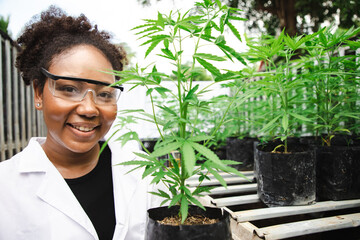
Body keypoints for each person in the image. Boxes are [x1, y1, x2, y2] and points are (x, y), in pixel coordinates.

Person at [0, 6, 162, 240]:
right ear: (38, 93)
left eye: (105, 94)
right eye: (69, 89)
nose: (88, 109)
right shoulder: (5, 186)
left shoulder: (143, 173)